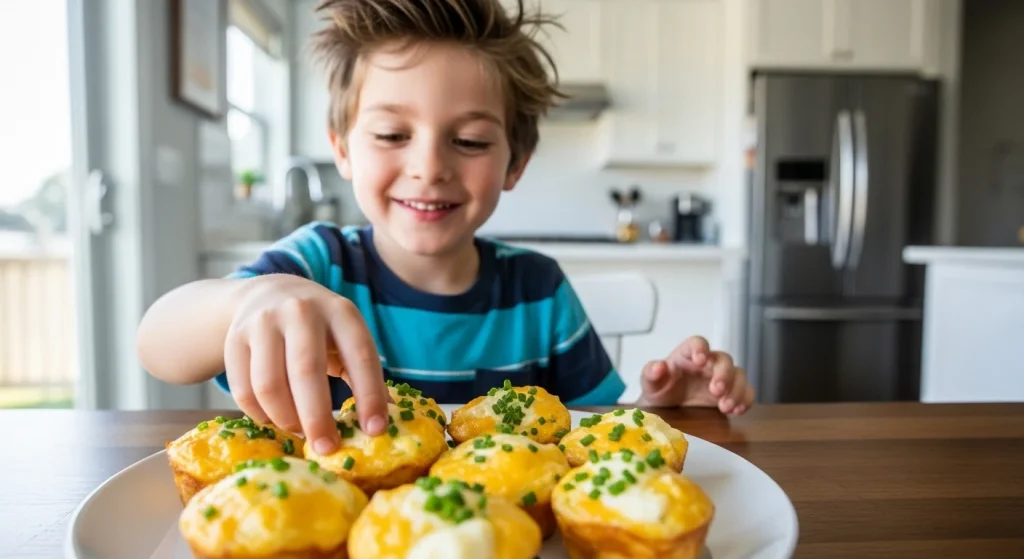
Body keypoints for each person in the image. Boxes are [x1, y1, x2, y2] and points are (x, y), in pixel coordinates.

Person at [136, 0, 754, 457]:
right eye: (391, 135)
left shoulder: (537, 290)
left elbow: (592, 436)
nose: (429, 166)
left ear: (514, 163)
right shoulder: (316, 267)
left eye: (469, 140)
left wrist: (665, 411)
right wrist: (252, 297)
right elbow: (157, 343)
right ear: (343, 150)